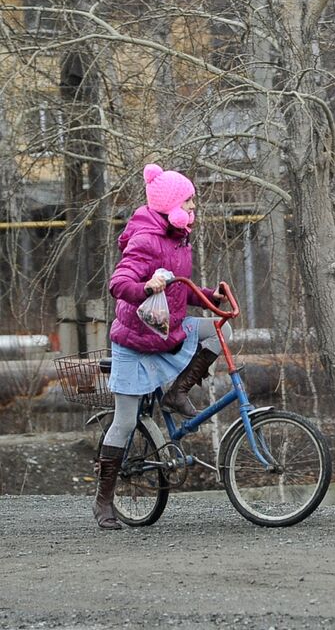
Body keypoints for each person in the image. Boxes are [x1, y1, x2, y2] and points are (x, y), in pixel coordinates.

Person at [95, 164, 224, 529]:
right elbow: (119, 283)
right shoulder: (145, 239)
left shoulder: (178, 239)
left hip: (168, 333)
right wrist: (146, 288)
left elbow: (179, 288)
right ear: (171, 207)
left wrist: (209, 297)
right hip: (135, 341)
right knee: (124, 421)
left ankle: (177, 392)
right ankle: (104, 501)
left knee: (219, 333)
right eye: (189, 202)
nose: (194, 209)